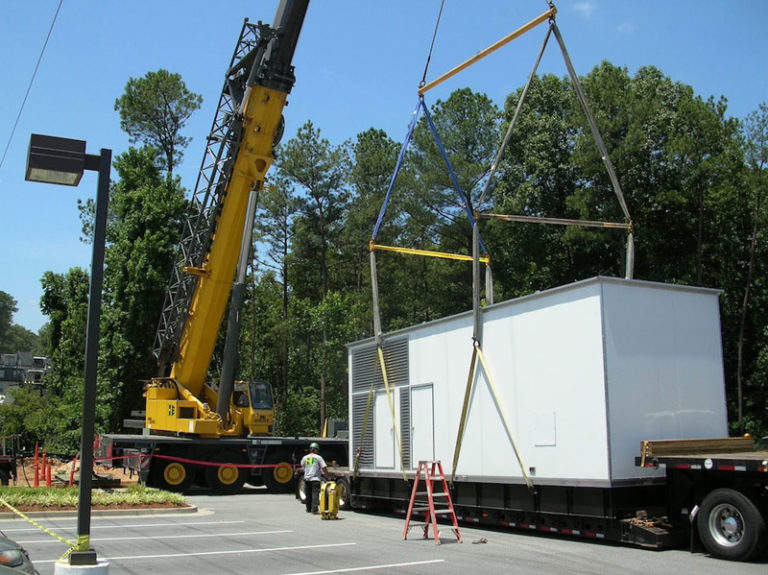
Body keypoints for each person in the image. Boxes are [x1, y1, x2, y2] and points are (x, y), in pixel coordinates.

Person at [299, 442, 328, 514]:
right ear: (315, 450)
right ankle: (314, 509)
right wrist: (327, 475)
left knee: (308, 494)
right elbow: (324, 467)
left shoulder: (305, 458)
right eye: (317, 450)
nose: (317, 451)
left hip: (307, 478)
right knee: (315, 494)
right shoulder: (318, 457)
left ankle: (308, 509)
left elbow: (302, 466)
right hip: (315, 479)